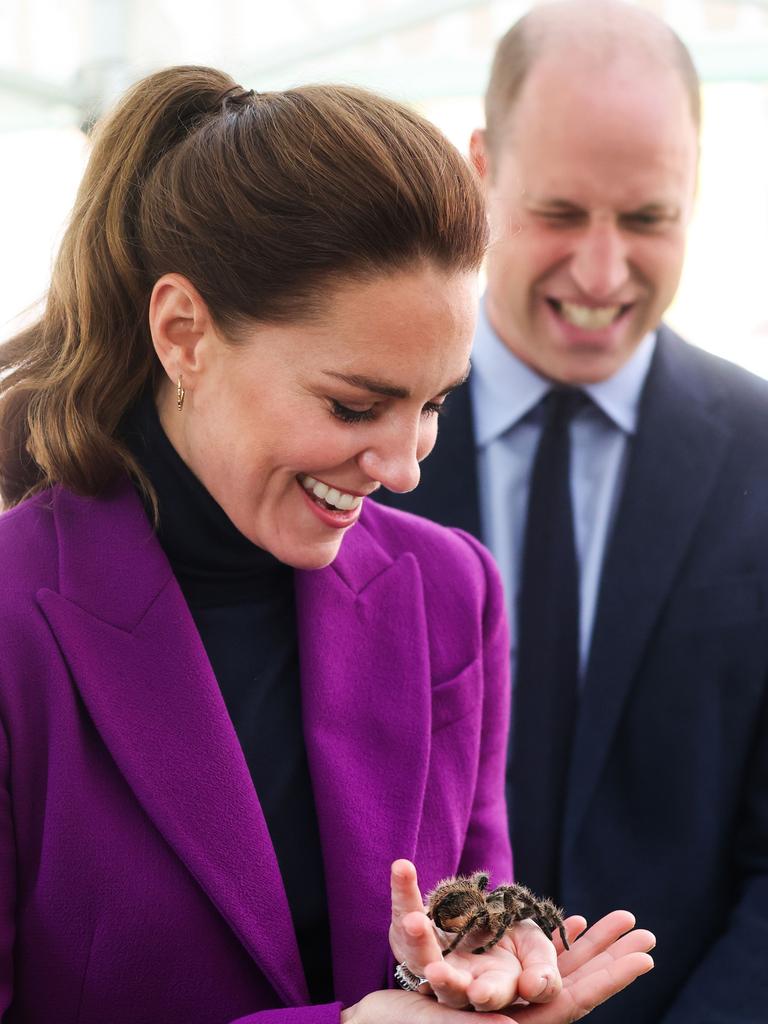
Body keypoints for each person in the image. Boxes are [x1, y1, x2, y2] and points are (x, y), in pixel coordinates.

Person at [0, 65, 654, 1024]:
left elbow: (468, 914)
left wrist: (481, 984)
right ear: (184, 334)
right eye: (355, 404)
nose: (403, 469)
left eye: (433, 404)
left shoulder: (450, 589)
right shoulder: (17, 623)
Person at [376, 2, 768, 1022]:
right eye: (558, 213)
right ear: (481, 173)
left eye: (646, 219)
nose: (601, 273)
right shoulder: (350, 443)